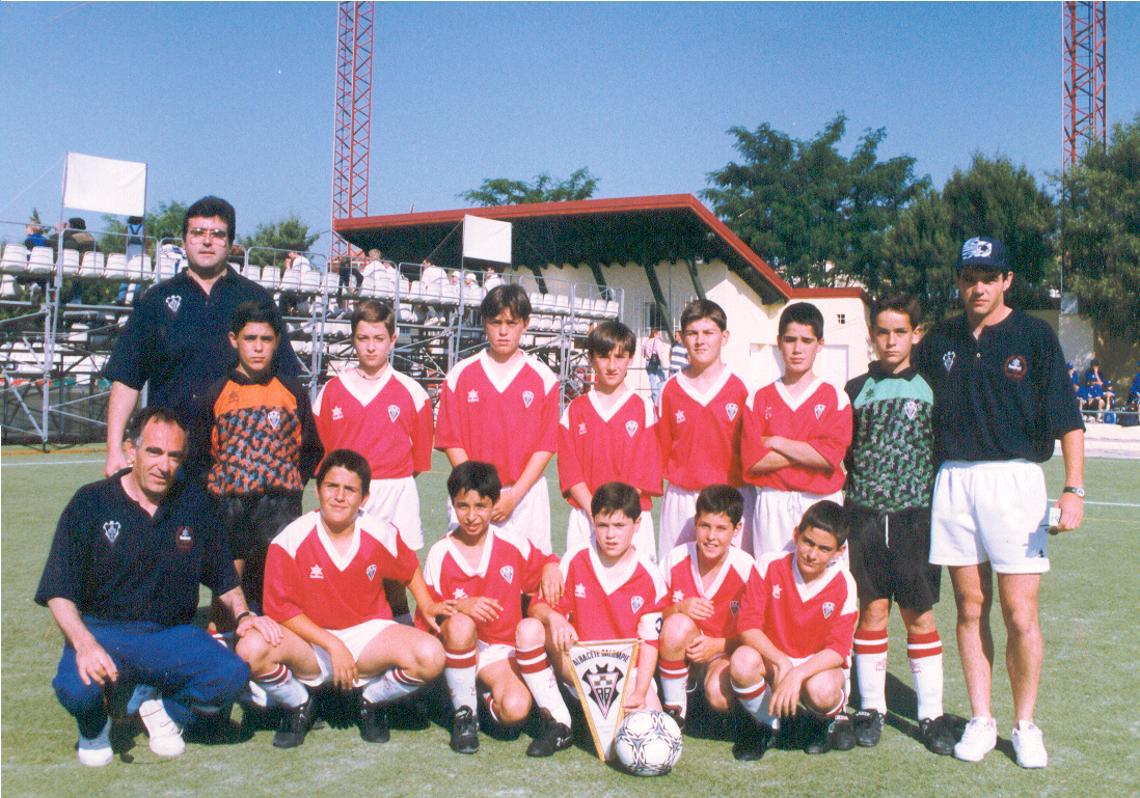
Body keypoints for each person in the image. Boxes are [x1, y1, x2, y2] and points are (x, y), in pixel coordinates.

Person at [914, 236, 1085, 769]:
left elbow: (1066, 417)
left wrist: (1074, 488)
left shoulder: (1034, 335)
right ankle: (982, 718)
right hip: (955, 480)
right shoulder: (940, 337)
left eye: (988, 276)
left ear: (1007, 279)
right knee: (970, 607)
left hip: (1016, 481)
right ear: (959, 280)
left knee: (1019, 612)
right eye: (969, 276)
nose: (978, 286)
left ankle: (1025, 724)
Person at [35, 407, 277, 766]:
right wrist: (84, 645)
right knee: (76, 689)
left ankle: (161, 710)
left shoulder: (194, 503)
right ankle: (95, 727)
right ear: (131, 450)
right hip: (104, 632)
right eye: (154, 452)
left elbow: (223, 575)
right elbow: (59, 590)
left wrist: (243, 615)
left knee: (231, 676)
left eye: (174, 455)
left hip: (169, 635)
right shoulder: (90, 502)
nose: (164, 465)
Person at [239, 449, 445, 748]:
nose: (339, 496)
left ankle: (371, 702)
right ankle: (299, 705)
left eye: (350, 489)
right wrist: (331, 643)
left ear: (364, 499)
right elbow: (281, 610)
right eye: (331, 486)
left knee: (431, 655)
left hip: (366, 639)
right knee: (250, 650)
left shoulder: (379, 531)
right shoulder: (291, 539)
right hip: (310, 643)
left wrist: (425, 603)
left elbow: (408, 564)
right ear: (318, 489)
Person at [101, 196, 301, 477]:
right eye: (197, 233)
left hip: (241, 455)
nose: (207, 241)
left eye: (217, 234)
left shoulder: (256, 298)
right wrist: (114, 451)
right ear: (184, 241)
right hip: (171, 456)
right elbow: (126, 378)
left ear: (230, 244)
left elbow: (286, 380)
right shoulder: (155, 301)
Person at [843, 294, 954, 755]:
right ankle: (872, 709)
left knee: (920, 616)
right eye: (882, 332)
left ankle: (931, 715)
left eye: (900, 332)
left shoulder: (932, 388)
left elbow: (943, 451)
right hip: (864, 517)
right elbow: (845, 453)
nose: (891, 341)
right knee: (871, 613)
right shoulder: (854, 389)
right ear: (872, 335)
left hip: (915, 519)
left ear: (916, 334)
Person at [418, 461, 567, 756]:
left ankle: (478, 696)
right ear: (452, 505)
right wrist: (461, 606)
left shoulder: (512, 543)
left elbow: (544, 562)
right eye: (463, 506)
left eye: (481, 506)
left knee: (515, 711)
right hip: (461, 646)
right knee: (461, 624)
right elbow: (428, 616)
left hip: (500, 652)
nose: (472, 516)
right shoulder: (440, 553)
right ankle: (464, 715)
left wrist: (551, 565)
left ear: (494, 504)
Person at [191, 301, 322, 621]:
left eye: (266, 339)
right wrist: (219, 490)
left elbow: (312, 449)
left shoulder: (292, 391)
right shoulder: (216, 393)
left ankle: (273, 656)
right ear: (234, 340)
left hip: (279, 510)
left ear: (277, 342)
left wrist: (289, 485)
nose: (258, 348)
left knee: (276, 588)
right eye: (250, 339)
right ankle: (223, 639)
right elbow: (197, 456)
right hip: (231, 509)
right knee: (229, 587)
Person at [313, 299, 433, 621]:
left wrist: (385, 481)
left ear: (392, 339)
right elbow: (319, 455)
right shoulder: (331, 391)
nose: (370, 347)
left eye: (379, 339)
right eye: (363, 338)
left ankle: (401, 626)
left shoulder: (413, 392)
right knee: (345, 564)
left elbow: (419, 462)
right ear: (353, 339)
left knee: (397, 570)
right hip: (347, 494)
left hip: (396, 491)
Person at [435, 284, 559, 553]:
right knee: (470, 574)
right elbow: (451, 440)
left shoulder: (545, 379)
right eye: (495, 322)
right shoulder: (460, 375)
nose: (503, 331)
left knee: (529, 582)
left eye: (511, 323)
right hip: (472, 496)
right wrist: (478, 495)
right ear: (484, 323)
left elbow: (545, 446)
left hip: (525, 497)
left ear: (525, 324)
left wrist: (514, 496)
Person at [730, 500, 858, 759]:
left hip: (814, 666)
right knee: (742, 660)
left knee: (823, 691)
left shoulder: (845, 582)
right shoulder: (769, 564)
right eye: (808, 542)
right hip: (774, 658)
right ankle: (766, 725)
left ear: (839, 551)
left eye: (824, 549)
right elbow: (747, 625)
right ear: (796, 534)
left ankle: (824, 723)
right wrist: (781, 662)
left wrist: (797, 673)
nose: (812, 554)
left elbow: (837, 650)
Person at [526, 482, 667, 715]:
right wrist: (555, 617)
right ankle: (559, 719)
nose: (611, 535)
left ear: (637, 523)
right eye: (603, 525)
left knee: (650, 729)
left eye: (619, 525)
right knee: (530, 630)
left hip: (627, 674)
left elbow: (650, 642)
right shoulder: (575, 560)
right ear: (593, 522)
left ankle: (597, 715)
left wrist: (641, 691)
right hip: (578, 667)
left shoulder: (650, 576)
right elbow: (536, 608)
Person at [742, 302, 852, 559]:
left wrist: (776, 440)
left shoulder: (836, 397)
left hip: (820, 502)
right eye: (790, 340)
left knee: (824, 583)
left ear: (820, 343)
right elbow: (753, 461)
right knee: (771, 581)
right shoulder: (758, 398)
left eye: (806, 340)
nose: (798, 349)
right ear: (779, 342)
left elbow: (829, 458)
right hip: (773, 502)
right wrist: (809, 448)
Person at [657, 484, 760, 731]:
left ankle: (718, 709)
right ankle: (675, 710)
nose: (711, 537)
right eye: (705, 526)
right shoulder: (676, 558)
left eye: (721, 528)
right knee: (677, 625)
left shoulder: (747, 568)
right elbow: (652, 615)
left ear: (737, 529)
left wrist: (718, 645)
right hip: (681, 654)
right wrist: (678, 608)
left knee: (719, 696)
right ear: (696, 523)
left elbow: (758, 632)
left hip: (721, 655)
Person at [558, 320, 662, 560]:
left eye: (620, 356)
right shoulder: (575, 410)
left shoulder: (644, 409)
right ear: (592, 358)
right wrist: (596, 512)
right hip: (587, 516)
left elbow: (645, 470)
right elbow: (571, 472)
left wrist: (617, 516)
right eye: (604, 357)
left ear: (631, 358)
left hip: (631, 517)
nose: (612, 365)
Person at [656, 299, 751, 555]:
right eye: (692, 333)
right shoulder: (669, 390)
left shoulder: (742, 389)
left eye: (708, 332)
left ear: (725, 336)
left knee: (733, 580)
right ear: (682, 338)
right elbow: (661, 449)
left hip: (730, 497)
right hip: (682, 499)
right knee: (675, 574)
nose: (700, 341)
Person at [641, 328, 668, 406]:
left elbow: (642, 353)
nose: (659, 335)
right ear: (655, 334)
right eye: (658, 333)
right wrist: (663, 365)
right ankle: (660, 393)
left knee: (652, 380)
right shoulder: (657, 341)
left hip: (648, 362)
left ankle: (655, 399)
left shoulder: (646, 341)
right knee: (664, 378)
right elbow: (659, 354)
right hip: (656, 362)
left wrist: (648, 355)